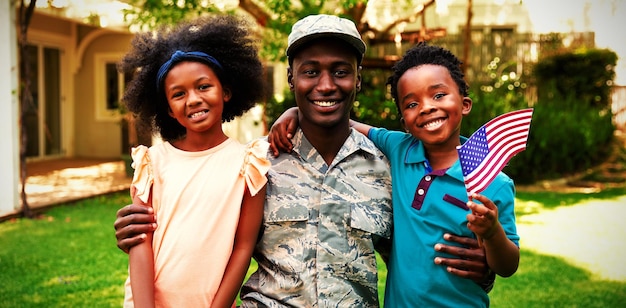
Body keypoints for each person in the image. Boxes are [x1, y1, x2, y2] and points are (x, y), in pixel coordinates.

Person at [114, 14, 492, 307]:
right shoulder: (257, 163)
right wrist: (137, 227)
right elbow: (193, 225)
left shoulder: (390, 168)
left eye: (340, 71)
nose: (326, 85)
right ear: (292, 80)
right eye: (311, 71)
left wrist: (482, 265)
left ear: (358, 80)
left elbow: (415, 252)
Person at [270, 42, 519, 307]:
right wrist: (297, 112)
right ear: (404, 121)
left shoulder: (493, 182)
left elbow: (507, 266)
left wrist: (492, 234)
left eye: (438, 95)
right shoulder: (400, 149)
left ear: (465, 103)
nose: (426, 107)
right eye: (412, 103)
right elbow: (347, 122)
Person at [117, 15, 270, 307]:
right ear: (169, 110)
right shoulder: (151, 162)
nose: (193, 99)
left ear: (225, 92)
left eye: (203, 87)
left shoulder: (249, 164)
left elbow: (243, 247)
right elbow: (140, 243)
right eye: (178, 94)